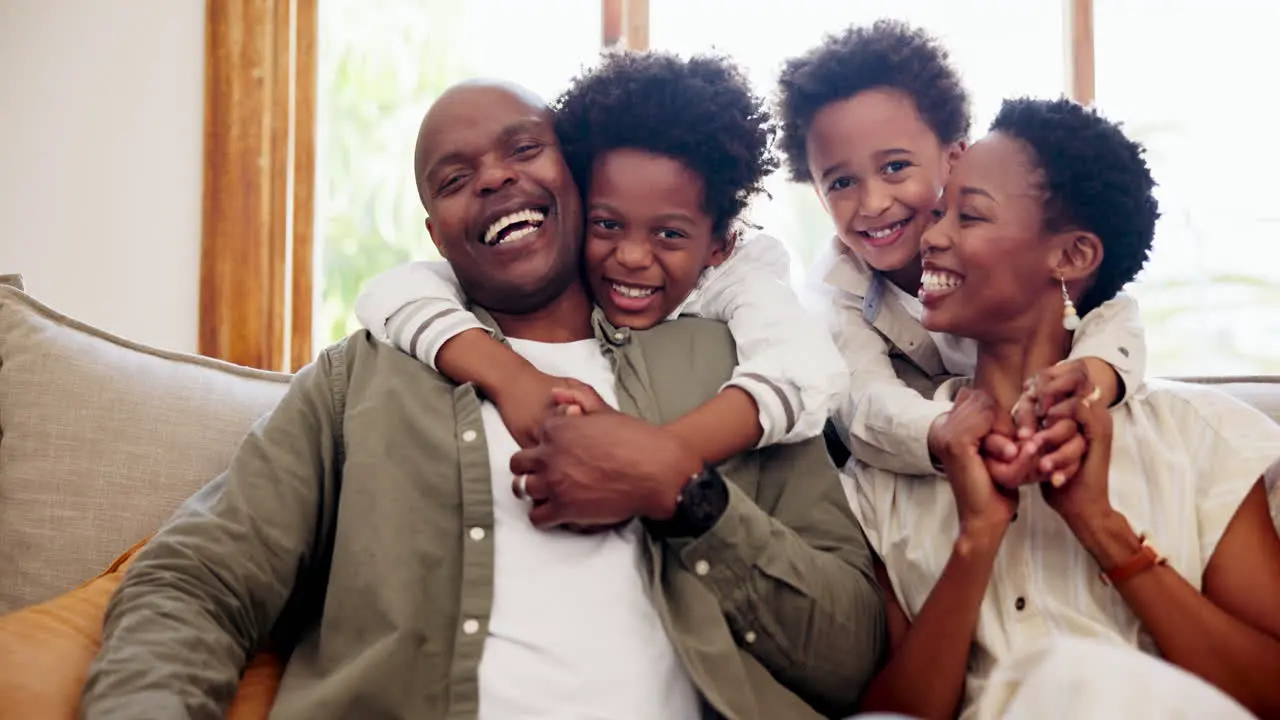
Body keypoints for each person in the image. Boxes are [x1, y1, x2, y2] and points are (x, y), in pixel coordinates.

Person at [80, 80, 885, 720]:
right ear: (437, 234)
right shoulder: (363, 376)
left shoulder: (726, 364)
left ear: (574, 174)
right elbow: (197, 580)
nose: (495, 176)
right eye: (455, 179)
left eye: (522, 149)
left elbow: (849, 653)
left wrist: (685, 492)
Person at [847, 97, 1280, 719]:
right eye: (939, 211)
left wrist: (1101, 525)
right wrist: (976, 540)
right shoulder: (884, 477)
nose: (932, 237)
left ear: (1072, 257)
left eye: (967, 216)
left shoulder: (1203, 441)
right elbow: (896, 714)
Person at [354, 51, 846, 469]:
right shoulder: (540, 272)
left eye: (669, 234)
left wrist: (651, 458)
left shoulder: (735, 275)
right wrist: (512, 379)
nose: (630, 257)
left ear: (719, 243)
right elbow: (388, 292)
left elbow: (806, 369)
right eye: (607, 224)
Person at [776, 20, 1147, 481]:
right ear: (817, 194)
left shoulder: (1001, 246)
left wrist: (1094, 376)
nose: (872, 203)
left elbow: (1111, 312)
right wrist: (948, 431)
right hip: (942, 457)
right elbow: (865, 405)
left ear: (954, 159)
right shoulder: (834, 292)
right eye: (842, 182)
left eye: (895, 167)